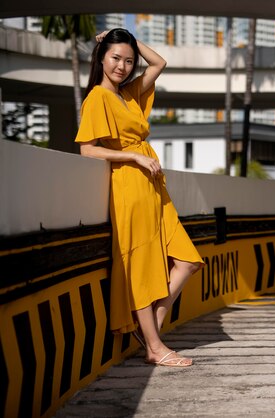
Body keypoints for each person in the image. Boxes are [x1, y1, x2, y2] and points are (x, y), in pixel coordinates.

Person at [75, 28, 203, 367]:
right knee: (141, 265)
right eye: (116, 58)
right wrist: (133, 157)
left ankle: (152, 328)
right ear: (101, 58)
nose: (122, 65)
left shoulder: (128, 94)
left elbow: (159, 62)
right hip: (130, 187)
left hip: (153, 188)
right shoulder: (97, 98)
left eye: (128, 60)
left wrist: (130, 38)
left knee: (188, 260)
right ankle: (155, 347)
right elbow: (88, 150)